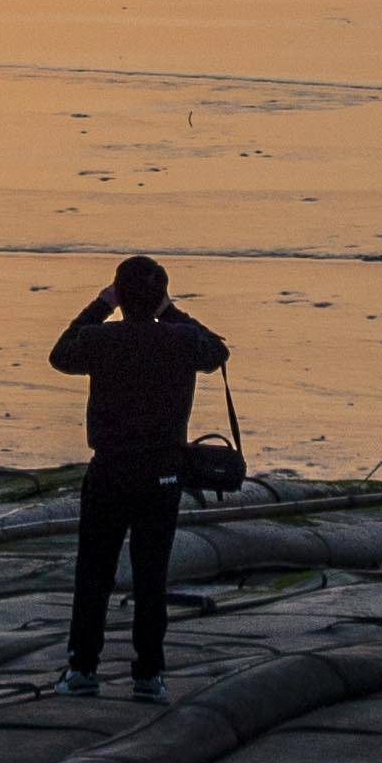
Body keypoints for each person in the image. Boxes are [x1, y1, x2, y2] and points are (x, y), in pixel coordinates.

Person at [48, 255, 231, 700]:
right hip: (163, 473)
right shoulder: (182, 340)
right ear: (160, 295)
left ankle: (82, 668)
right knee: (152, 576)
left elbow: (60, 354)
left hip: (110, 468)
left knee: (94, 572)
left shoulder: (102, 339)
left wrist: (99, 305)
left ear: (119, 296)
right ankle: (149, 673)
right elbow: (217, 350)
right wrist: (169, 310)